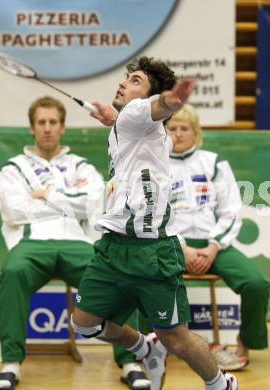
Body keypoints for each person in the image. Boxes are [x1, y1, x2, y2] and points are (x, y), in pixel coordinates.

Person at [71, 56, 238, 390]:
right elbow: (138, 119)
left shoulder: (138, 114)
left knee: (175, 337)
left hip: (152, 252)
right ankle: (143, 347)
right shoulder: (131, 123)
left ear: (147, 97)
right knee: (85, 323)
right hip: (114, 246)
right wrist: (113, 117)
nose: (124, 82)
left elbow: (158, 107)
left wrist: (172, 99)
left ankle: (221, 383)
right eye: (127, 77)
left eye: (135, 81)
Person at [0, 96, 151, 390]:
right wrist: (68, 197)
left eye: (53, 122)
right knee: (12, 274)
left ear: (63, 127)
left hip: (77, 242)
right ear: (32, 128)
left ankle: (130, 363)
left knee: (119, 277)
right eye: (42, 122)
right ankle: (10, 364)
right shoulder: (13, 168)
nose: (48, 128)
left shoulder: (81, 165)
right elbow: (15, 210)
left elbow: (94, 203)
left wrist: (46, 195)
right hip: (32, 242)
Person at [166, 103, 270, 370]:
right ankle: (155, 343)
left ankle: (244, 342)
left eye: (184, 128)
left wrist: (213, 247)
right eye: (172, 128)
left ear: (196, 132)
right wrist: (184, 248)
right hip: (173, 245)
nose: (178, 134)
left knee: (256, 283)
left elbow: (232, 211)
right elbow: (157, 216)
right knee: (144, 277)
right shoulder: (157, 167)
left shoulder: (213, 163)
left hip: (215, 244)